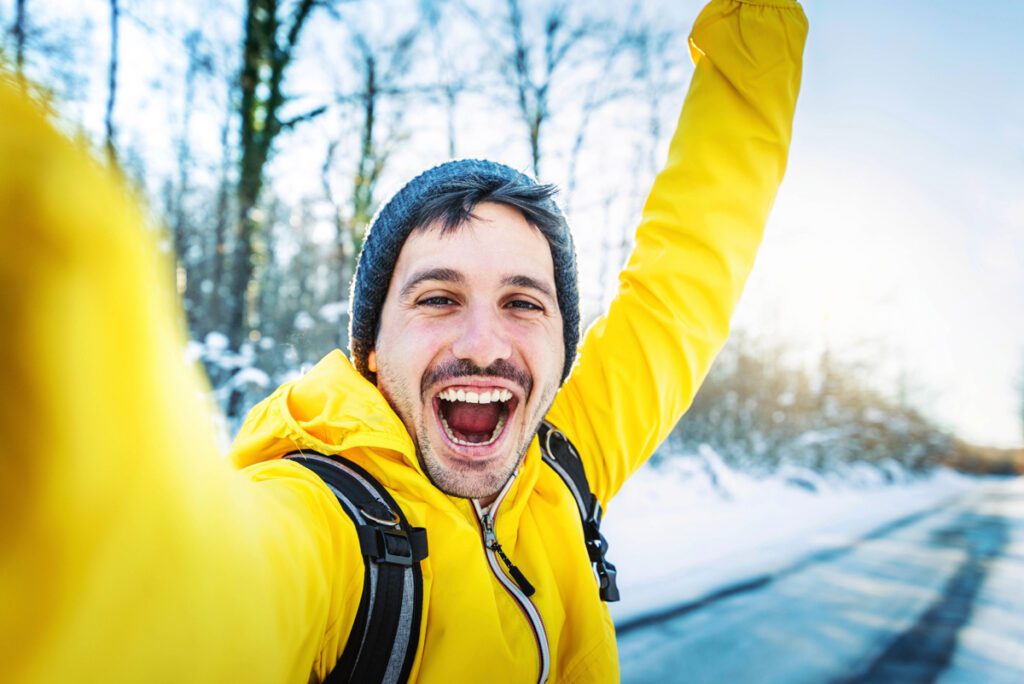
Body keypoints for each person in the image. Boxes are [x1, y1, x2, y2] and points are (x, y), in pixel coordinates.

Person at [0, 0, 807, 681]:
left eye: (525, 303)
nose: (485, 344)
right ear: (370, 349)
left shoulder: (567, 460)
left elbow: (690, 273)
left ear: (565, 349)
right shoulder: (326, 527)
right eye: (437, 297)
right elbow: (191, 602)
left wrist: (755, 26)